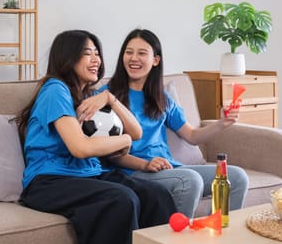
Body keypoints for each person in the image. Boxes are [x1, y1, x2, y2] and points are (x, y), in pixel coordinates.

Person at [16, 30, 180, 244]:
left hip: (88, 174)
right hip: (49, 181)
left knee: (156, 194)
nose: (96, 60)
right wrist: (122, 140)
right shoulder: (55, 90)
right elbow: (80, 148)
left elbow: (136, 133)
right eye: (86, 53)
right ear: (67, 58)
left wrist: (110, 98)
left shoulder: (88, 95)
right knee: (121, 200)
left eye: (97, 53)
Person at [100, 28, 249, 218]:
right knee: (190, 181)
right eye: (128, 52)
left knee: (236, 177)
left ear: (155, 60)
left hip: (169, 168)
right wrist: (145, 164)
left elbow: (192, 136)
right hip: (132, 171)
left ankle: (218, 234)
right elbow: (108, 153)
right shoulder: (107, 96)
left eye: (141, 53)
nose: (133, 58)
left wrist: (222, 123)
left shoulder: (161, 97)